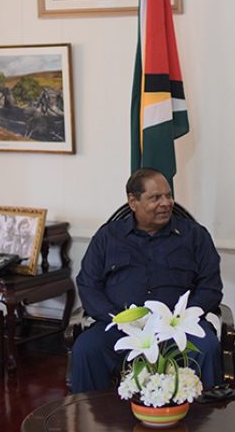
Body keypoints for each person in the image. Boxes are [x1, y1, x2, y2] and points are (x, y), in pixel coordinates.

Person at [72, 167, 223, 393]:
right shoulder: (108, 236)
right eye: (155, 198)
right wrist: (117, 319)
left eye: (168, 195)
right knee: (86, 348)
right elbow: (88, 284)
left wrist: (181, 318)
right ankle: (94, 420)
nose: (166, 203)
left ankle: (205, 421)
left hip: (177, 328)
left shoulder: (194, 235)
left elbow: (210, 287)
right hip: (122, 327)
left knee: (207, 347)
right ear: (133, 201)